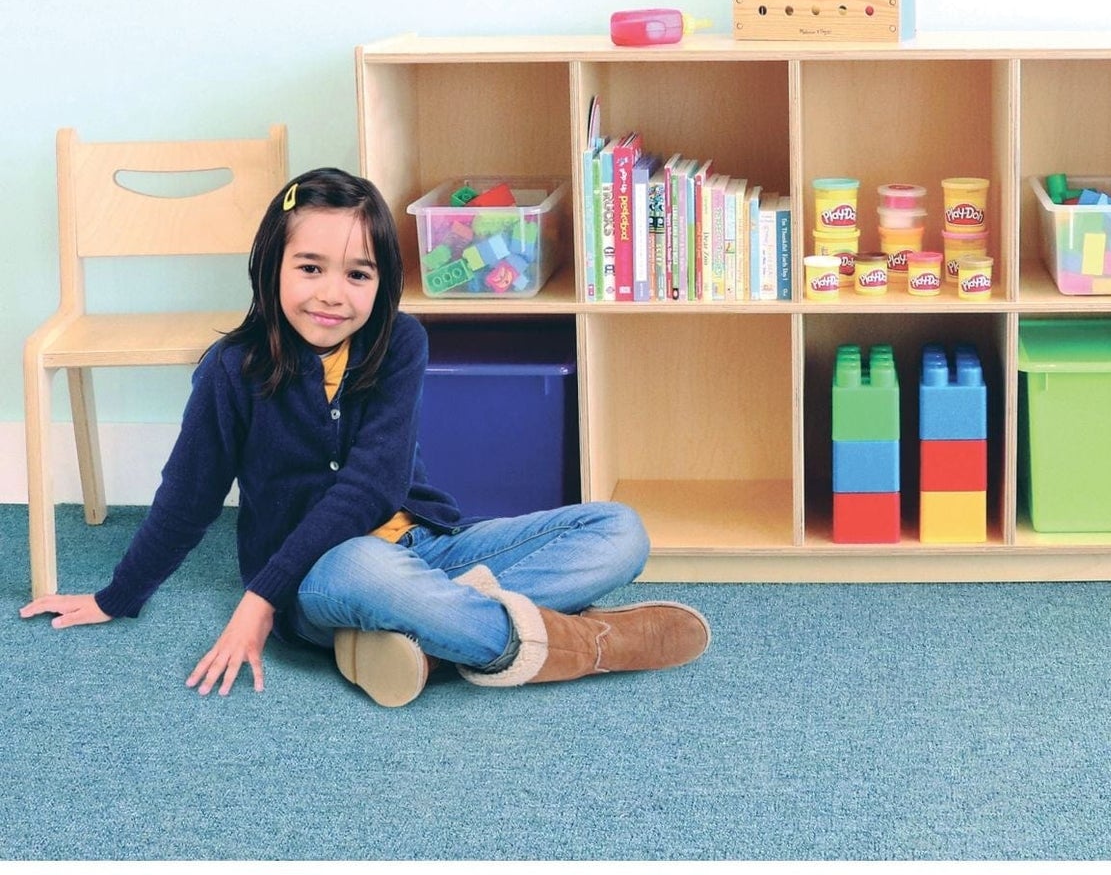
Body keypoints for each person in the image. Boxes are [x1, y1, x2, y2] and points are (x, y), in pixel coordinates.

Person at [19, 167, 709, 706]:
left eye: (358, 274)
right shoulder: (231, 370)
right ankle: (587, 642)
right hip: (316, 576)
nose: (332, 294)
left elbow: (377, 483)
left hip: (431, 547)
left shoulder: (400, 342)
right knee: (362, 569)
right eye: (310, 267)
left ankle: (431, 644)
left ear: (383, 282)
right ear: (272, 267)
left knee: (620, 529)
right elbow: (187, 497)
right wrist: (121, 595)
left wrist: (260, 604)